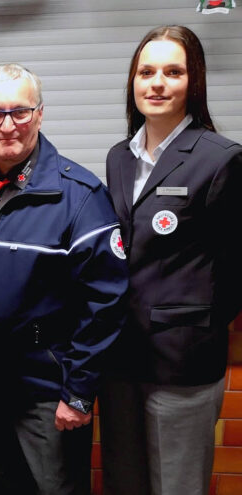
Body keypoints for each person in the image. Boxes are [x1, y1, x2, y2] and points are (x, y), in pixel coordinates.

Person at [0, 63, 128, 494]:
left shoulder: (80, 196)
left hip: (48, 393)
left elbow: (106, 302)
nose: (7, 125)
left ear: (41, 115)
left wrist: (79, 393)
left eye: (20, 112)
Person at [99, 25, 242, 495]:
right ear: (132, 82)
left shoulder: (221, 160)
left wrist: (193, 324)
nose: (157, 83)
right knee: (125, 483)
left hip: (181, 364)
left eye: (173, 71)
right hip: (120, 360)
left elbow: (234, 269)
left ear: (193, 81)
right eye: (146, 72)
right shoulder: (119, 157)